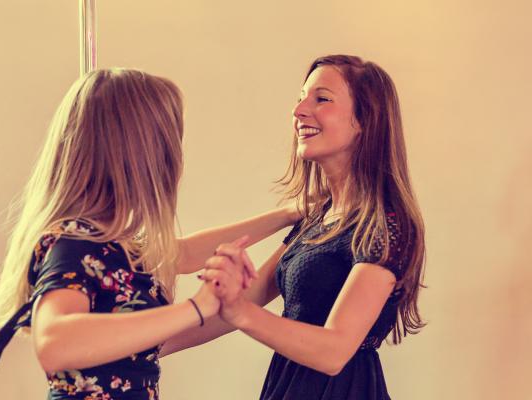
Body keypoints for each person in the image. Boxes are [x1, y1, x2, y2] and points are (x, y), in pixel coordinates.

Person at [0, 68, 300, 400]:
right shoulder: (73, 243)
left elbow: (180, 254)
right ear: (143, 155)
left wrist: (287, 216)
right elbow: (55, 343)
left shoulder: (112, 246)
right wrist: (197, 306)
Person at [164, 55, 426, 400]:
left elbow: (333, 352)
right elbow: (237, 303)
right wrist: (148, 349)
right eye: (301, 98)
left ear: (365, 120)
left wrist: (240, 311)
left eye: (322, 99)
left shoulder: (385, 225)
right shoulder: (318, 218)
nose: (299, 110)